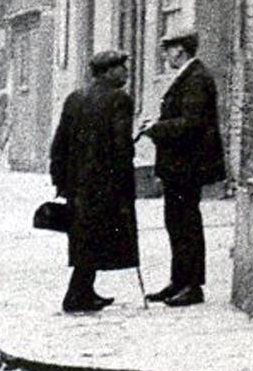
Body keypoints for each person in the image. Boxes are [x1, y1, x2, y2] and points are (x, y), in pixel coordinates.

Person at [138, 30, 226, 307]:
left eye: (168, 49)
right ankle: (178, 281)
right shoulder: (190, 76)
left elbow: (191, 124)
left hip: (188, 166)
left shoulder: (196, 78)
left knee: (186, 224)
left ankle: (192, 286)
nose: (165, 55)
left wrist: (156, 129)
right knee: (177, 223)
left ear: (181, 50)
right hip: (180, 167)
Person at [49, 50, 140, 314]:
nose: (125, 72)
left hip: (77, 184)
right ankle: (76, 295)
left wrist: (60, 180)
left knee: (85, 237)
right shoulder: (119, 100)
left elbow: (59, 143)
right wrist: (125, 183)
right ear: (107, 72)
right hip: (106, 183)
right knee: (97, 238)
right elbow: (121, 146)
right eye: (120, 67)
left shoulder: (75, 98)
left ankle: (85, 293)